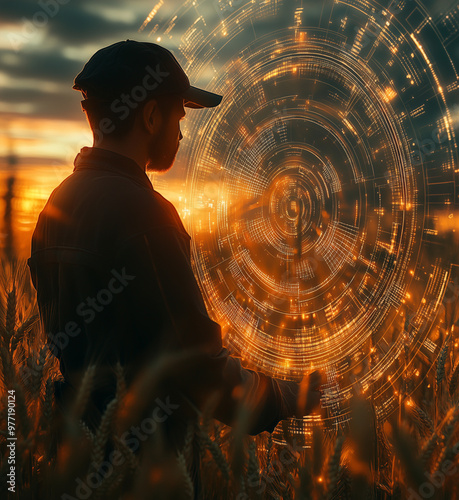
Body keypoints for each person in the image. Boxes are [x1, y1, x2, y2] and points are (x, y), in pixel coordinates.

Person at [27, 40, 322, 495]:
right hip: (145, 471)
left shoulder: (56, 208)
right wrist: (284, 396)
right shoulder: (145, 213)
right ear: (149, 117)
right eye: (179, 118)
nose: (182, 135)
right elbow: (197, 364)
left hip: (71, 457)